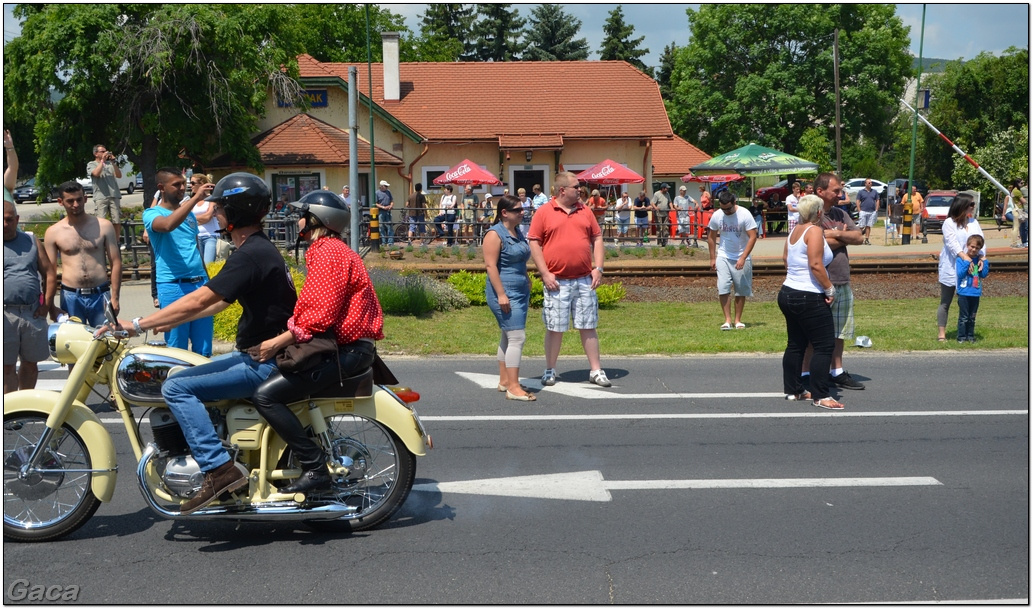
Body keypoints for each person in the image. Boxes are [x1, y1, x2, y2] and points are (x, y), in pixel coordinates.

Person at [106, 172, 297, 514]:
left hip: (262, 361)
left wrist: (137, 324)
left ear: (235, 212)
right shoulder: (257, 249)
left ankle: (218, 468)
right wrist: (165, 320)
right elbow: (214, 302)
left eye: (221, 207)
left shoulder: (250, 254)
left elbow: (199, 301)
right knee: (196, 368)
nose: (216, 212)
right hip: (264, 354)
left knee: (176, 387)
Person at [249, 190, 384, 493]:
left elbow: (320, 314)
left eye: (301, 216)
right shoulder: (334, 250)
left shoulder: (327, 252)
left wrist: (276, 342)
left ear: (316, 220)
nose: (296, 222)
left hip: (344, 352)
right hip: (350, 349)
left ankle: (314, 467)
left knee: (265, 396)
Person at [527, 171, 610, 388]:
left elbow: (597, 237)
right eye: (576, 187)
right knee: (555, 327)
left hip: (584, 280)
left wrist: (598, 268)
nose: (580, 190)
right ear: (562, 190)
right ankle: (550, 369)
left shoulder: (585, 211)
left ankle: (596, 370)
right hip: (557, 282)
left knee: (588, 325)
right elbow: (534, 242)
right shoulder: (544, 212)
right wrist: (544, 273)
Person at [777, 194, 841, 409]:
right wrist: (829, 288)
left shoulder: (795, 230)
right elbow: (815, 264)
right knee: (824, 345)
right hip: (808, 295)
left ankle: (794, 390)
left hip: (788, 292)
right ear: (819, 212)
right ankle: (821, 395)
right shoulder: (814, 230)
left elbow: (786, 260)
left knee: (796, 344)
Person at [802, 172, 865, 391]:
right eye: (836, 190)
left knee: (840, 331)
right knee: (814, 334)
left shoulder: (841, 213)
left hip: (842, 280)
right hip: (818, 284)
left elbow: (859, 237)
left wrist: (833, 235)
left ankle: (836, 371)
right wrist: (839, 235)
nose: (841, 194)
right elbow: (815, 243)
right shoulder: (812, 215)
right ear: (821, 191)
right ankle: (807, 374)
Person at [143, 167, 215, 356]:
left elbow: (195, 248)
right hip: (173, 286)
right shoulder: (151, 214)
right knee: (177, 350)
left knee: (204, 349)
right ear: (162, 187)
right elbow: (167, 225)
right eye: (176, 184)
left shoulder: (188, 215)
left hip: (199, 283)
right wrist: (194, 200)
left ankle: (202, 384)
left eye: (184, 183)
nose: (182, 188)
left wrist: (208, 283)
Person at [44, 181, 121, 326]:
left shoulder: (104, 226)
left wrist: (115, 298)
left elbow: (116, 262)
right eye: (70, 201)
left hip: (100, 294)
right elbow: (49, 272)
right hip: (71, 296)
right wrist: (51, 306)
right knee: (73, 344)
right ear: (60, 202)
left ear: (85, 199)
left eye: (79, 199)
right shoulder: (53, 232)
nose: (76, 204)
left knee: (105, 342)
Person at [483, 194, 534, 401]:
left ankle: (505, 381)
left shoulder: (517, 232)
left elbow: (519, 259)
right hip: (504, 291)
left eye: (523, 210)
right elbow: (490, 266)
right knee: (517, 337)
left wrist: (527, 278)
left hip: (520, 290)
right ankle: (514, 387)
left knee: (507, 335)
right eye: (518, 210)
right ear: (504, 213)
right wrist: (502, 294)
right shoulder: (494, 234)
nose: (523, 213)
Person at [4, 200, 56, 393]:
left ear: (17, 220)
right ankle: (9, 413)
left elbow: (50, 273)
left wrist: (47, 305)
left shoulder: (31, 240)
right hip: (5, 314)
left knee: (30, 364)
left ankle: (23, 408)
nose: (5, 225)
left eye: (9, 220)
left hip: (32, 312)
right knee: (6, 367)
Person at [707, 190, 759, 330]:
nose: (726, 212)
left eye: (729, 208)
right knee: (723, 288)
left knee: (740, 290)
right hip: (723, 256)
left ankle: (738, 320)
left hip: (741, 256)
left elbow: (753, 237)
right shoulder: (718, 215)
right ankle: (727, 320)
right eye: (723, 209)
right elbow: (711, 237)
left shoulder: (744, 214)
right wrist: (713, 257)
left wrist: (743, 257)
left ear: (734, 202)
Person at [936, 193, 984, 341]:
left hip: (971, 268)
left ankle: (966, 333)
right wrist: (965, 257)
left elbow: (981, 240)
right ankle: (942, 334)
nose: (973, 207)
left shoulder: (973, 222)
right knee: (946, 301)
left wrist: (982, 257)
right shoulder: (949, 223)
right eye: (971, 204)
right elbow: (952, 244)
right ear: (962, 205)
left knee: (967, 301)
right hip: (952, 265)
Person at [87, 144, 125, 248]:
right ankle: (101, 241)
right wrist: (102, 162)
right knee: (101, 220)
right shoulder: (92, 164)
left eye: (106, 151)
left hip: (114, 195)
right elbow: (96, 173)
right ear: (96, 153)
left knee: (116, 219)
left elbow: (119, 175)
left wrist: (113, 162)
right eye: (102, 151)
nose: (105, 153)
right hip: (100, 196)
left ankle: (117, 241)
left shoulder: (110, 164)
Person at [955, 234, 989, 344]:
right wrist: (967, 262)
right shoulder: (961, 259)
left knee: (972, 317)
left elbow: (983, 274)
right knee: (964, 317)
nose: (974, 250)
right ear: (967, 245)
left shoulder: (979, 260)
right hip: (964, 292)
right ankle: (961, 337)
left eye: (977, 248)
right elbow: (960, 274)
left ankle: (970, 336)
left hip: (975, 292)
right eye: (972, 247)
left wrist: (984, 261)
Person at [190, 174, 219, 264]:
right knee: (199, 266)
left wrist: (194, 220)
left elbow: (208, 217)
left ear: (201, 184)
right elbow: (188, 219)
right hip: (196, 236)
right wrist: (200, 219)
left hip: (210, 236)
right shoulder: (193, 201)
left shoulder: (211, 199)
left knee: (208, 264)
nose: (191, 186)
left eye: (193, 183)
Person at [856, 179, 880, 245]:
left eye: (871, 182)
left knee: (868, 226)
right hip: (863, 211)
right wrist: (859, 210)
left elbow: (877, 200)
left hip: (872, 211)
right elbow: (858, 200)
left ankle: (867, 239)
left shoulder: (874, 192)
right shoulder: (861, 192)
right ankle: (858, 239)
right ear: (865, 184)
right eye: (869, 183)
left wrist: (876, 209)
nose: (870, 184)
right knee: (861, 226)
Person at [1006, 178, 1028, 248]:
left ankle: (1014, 243)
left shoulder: (1013, 191)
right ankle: (1014, 243)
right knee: (1016, 227)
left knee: (1016, 227)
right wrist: (1022, 201)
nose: (1022, 184)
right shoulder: (1017, 191)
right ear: (1017, 183)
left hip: (1015, 209)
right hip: (1019, 210)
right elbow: (1024, 201)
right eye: (1021, 183)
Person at [375, 179, 394, 245]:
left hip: (388, 211)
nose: (387, 187)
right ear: (382, 186)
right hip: (381, 211)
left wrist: (391, 205)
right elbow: (376, 203)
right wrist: (383, 207)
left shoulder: (388, 192)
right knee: (381, 226)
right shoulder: (377, 193)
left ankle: (390, 242)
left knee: (389, 226)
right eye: (386, 186)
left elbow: (391, 200)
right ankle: (383, 242)